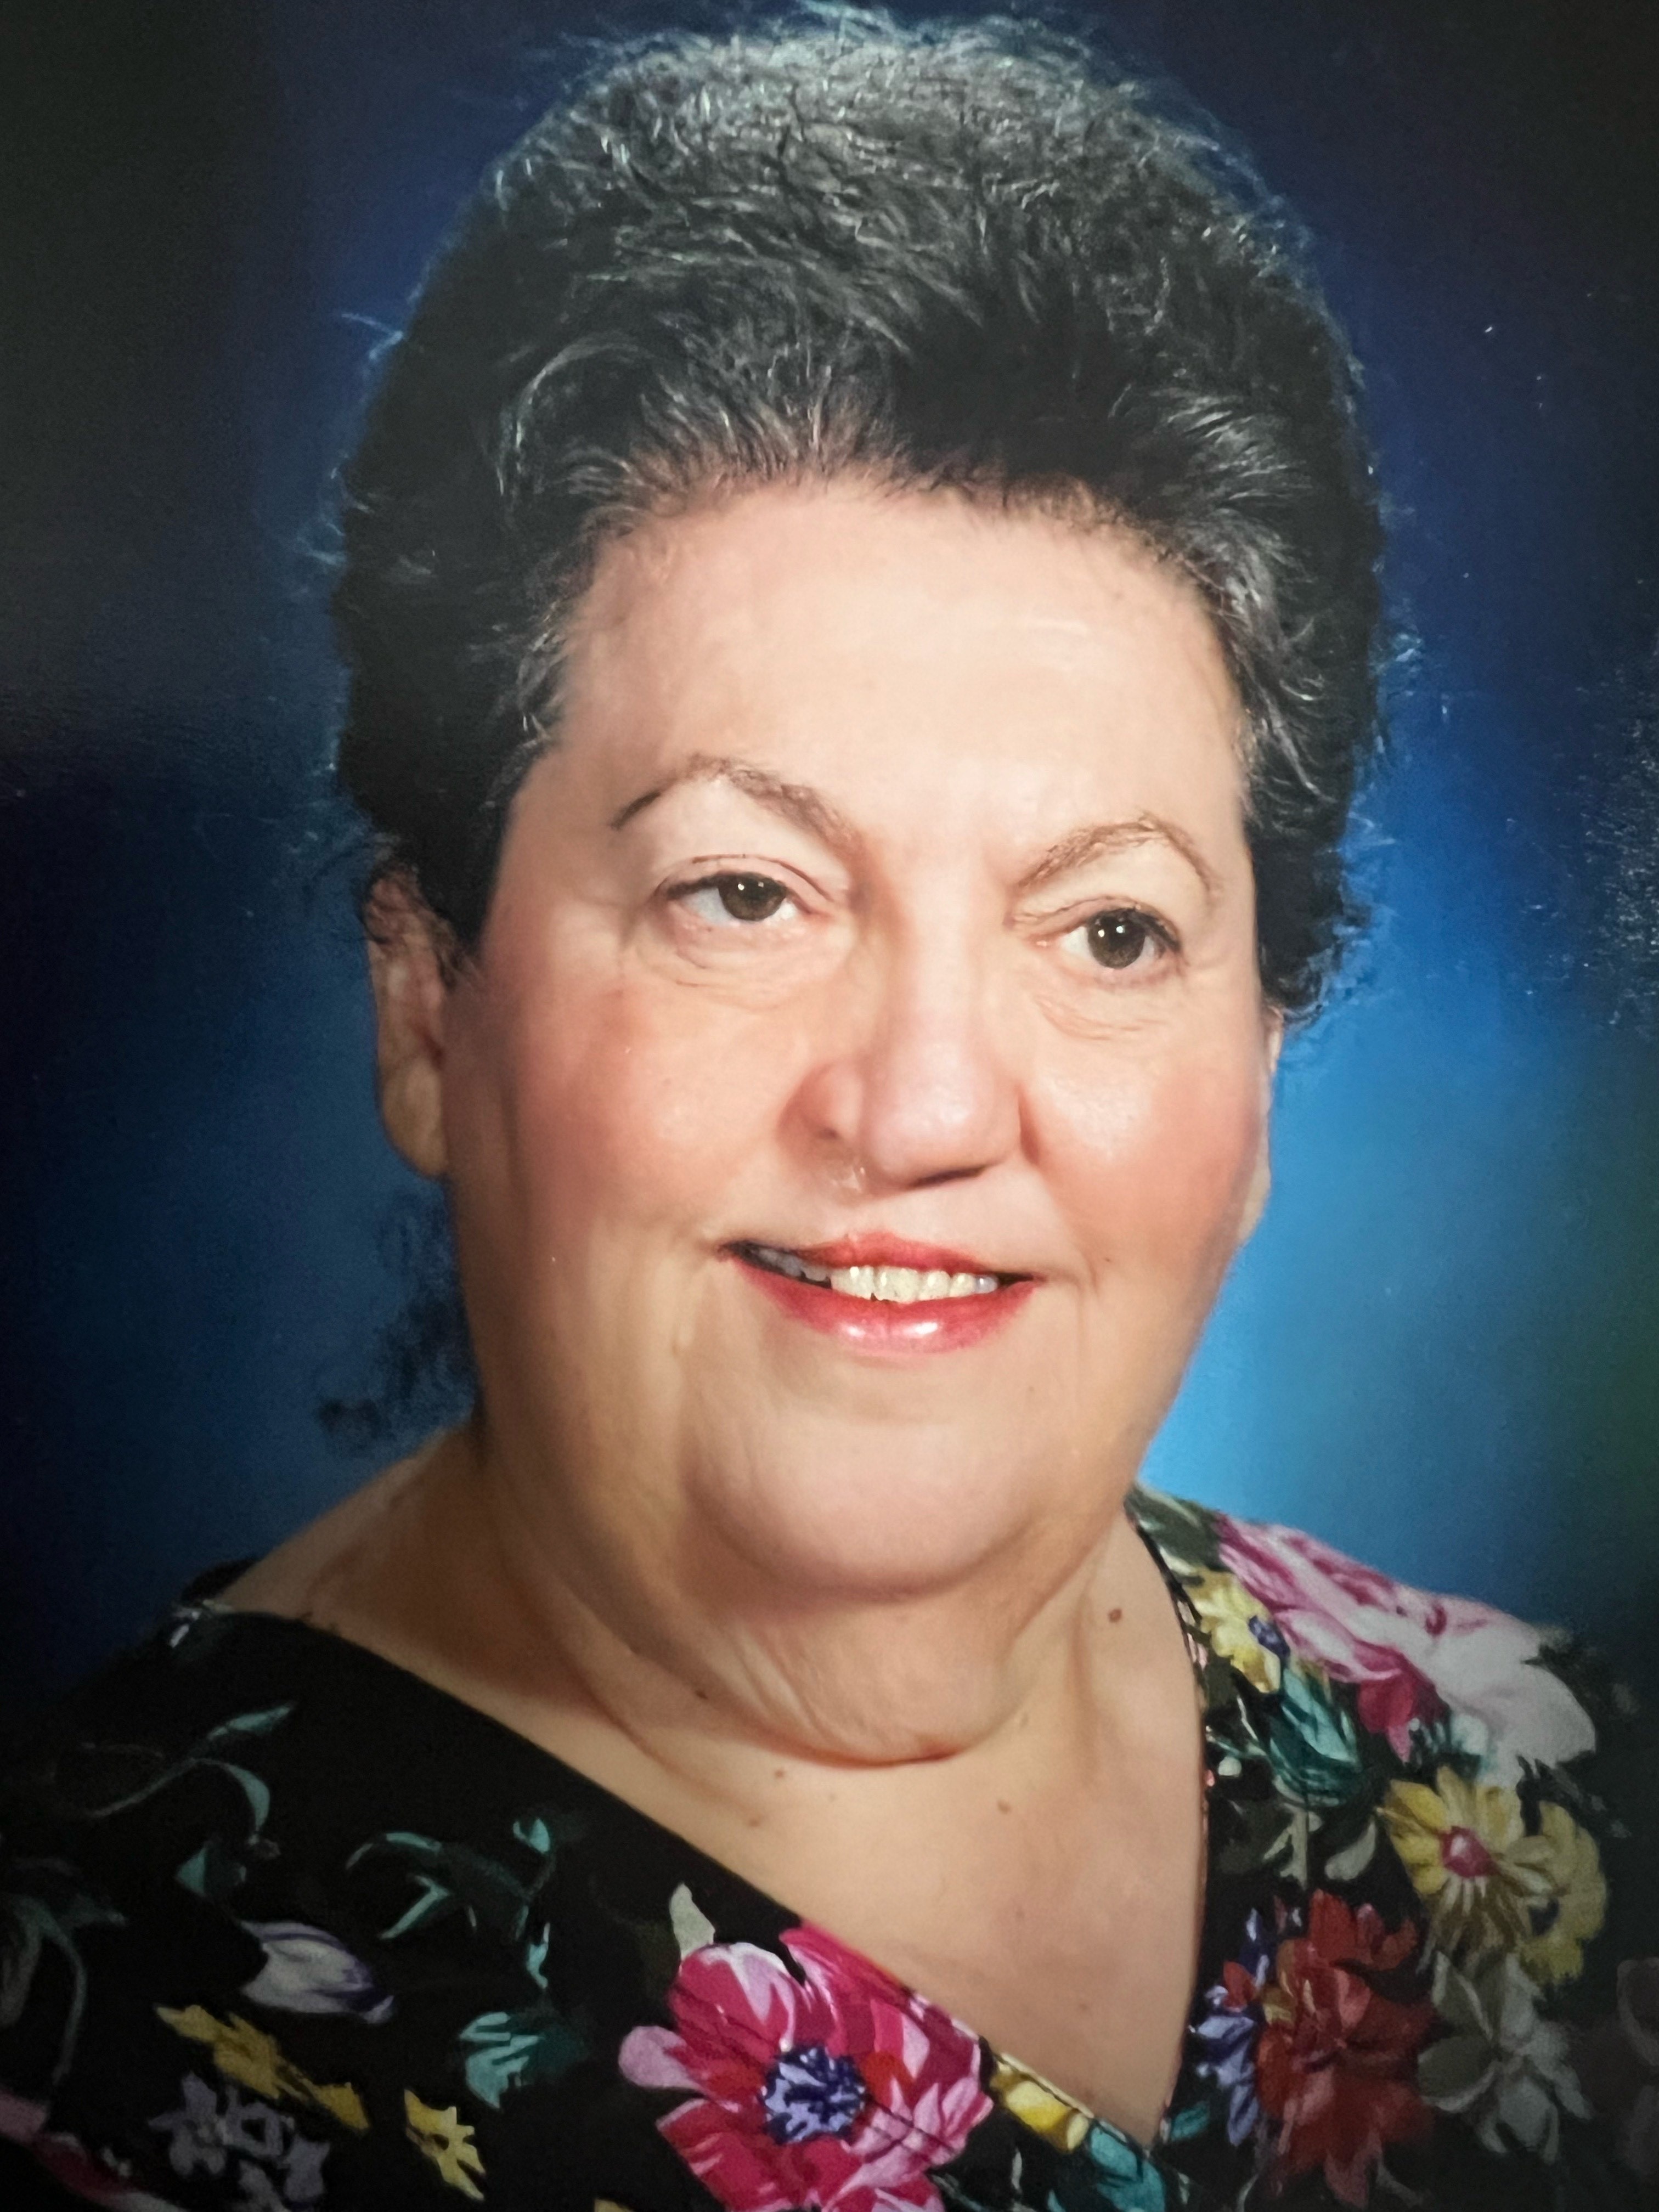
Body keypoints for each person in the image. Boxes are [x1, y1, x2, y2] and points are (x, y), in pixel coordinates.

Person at [2, 15, 1654, 2210]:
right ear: (428, 1005)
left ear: (1265, 1070)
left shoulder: (1538, 1809)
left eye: (1112, 930)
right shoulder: (94, 2051)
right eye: (747, 894)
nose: (927, 1104)